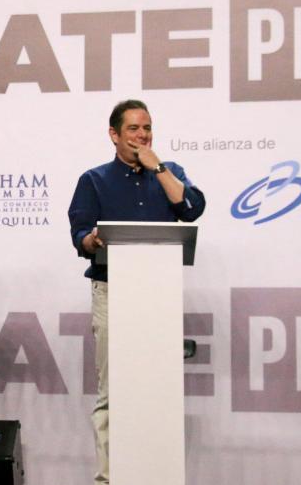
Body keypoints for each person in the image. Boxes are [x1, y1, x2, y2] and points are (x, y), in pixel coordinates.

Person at [66, 99, 205, 484]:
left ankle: (158, 473)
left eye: (147, 128)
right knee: (112, 392)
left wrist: (157, 166)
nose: (142, 135)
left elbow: (192, 208)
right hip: (112, 292)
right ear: (114, 135)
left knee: (159, 385)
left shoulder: (170, 172)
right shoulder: (94, 179)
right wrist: (92, 239)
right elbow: (80, 234)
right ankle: (109, 478)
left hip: (158, 294)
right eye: (133, 129)